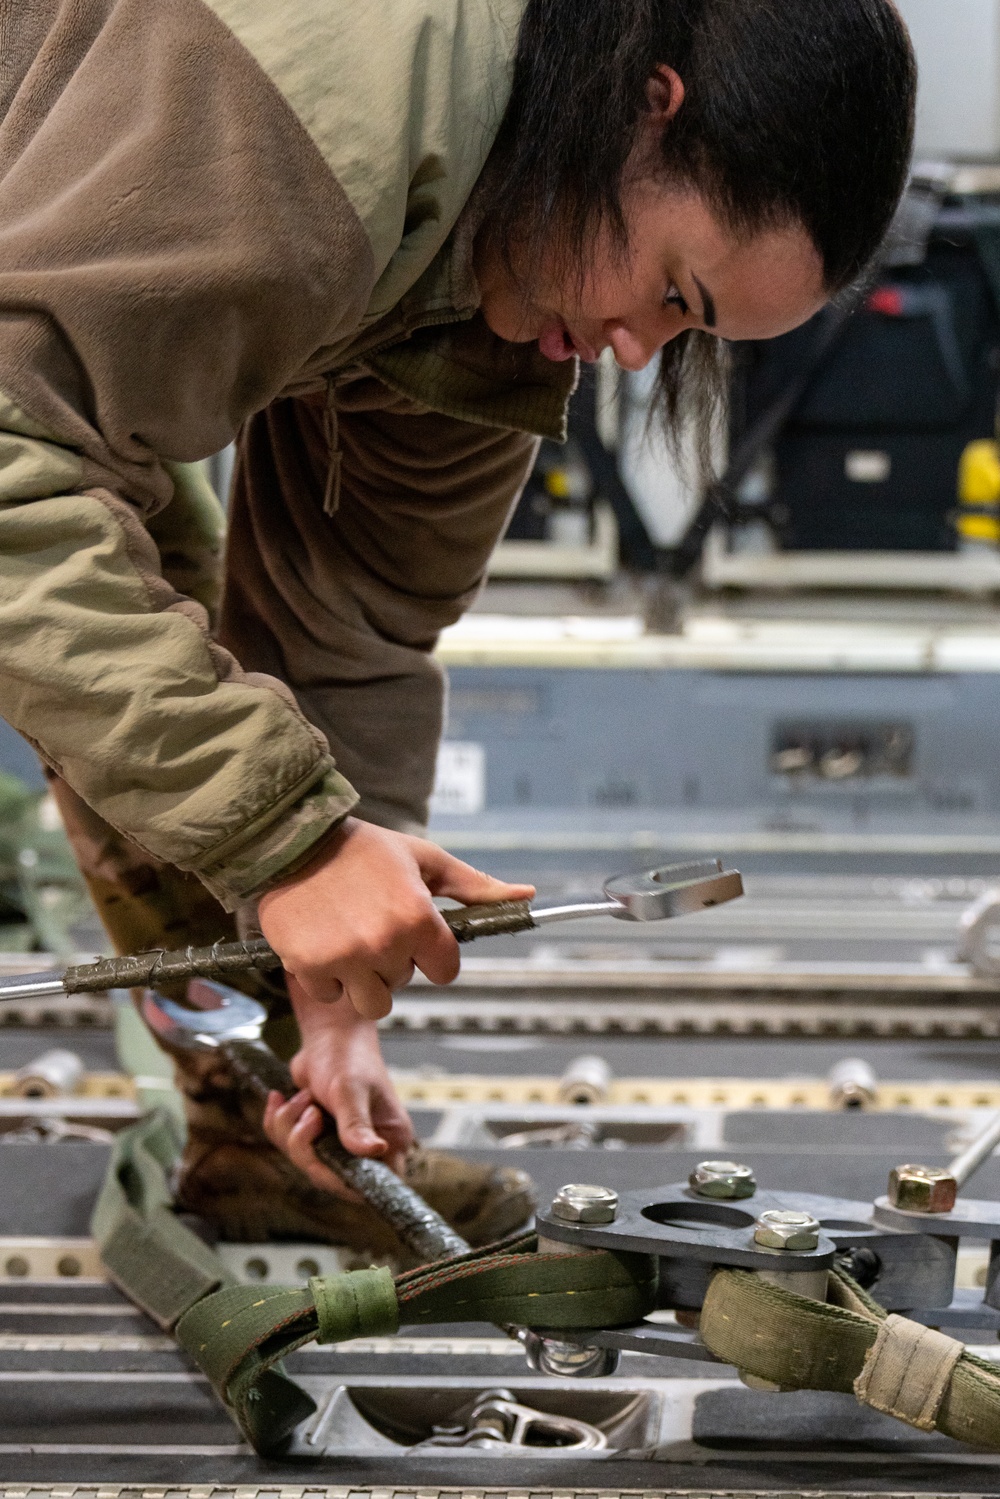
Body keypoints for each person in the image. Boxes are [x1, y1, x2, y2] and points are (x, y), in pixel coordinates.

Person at [0, 0, 915, 1252]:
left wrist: (329, 995)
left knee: (155, 623)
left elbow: (350, 620)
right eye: (668, 290)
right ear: (647, 106)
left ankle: (264, 1120)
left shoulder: (513, 253)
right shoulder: (332, 114)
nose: (635, 352)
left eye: (684, 335)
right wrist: (289, 848)